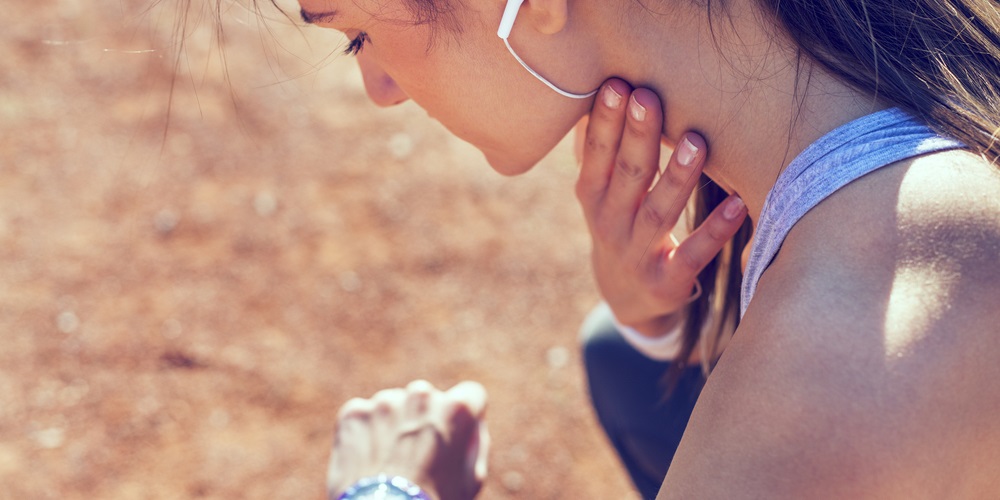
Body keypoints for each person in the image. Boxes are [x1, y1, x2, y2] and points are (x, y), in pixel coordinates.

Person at [285, 0, 1000, 497]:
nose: (378, 89)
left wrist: (383, 492)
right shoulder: (876, 86)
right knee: (623, 356)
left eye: (356, 34)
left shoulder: (844, 355)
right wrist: (650, 318)